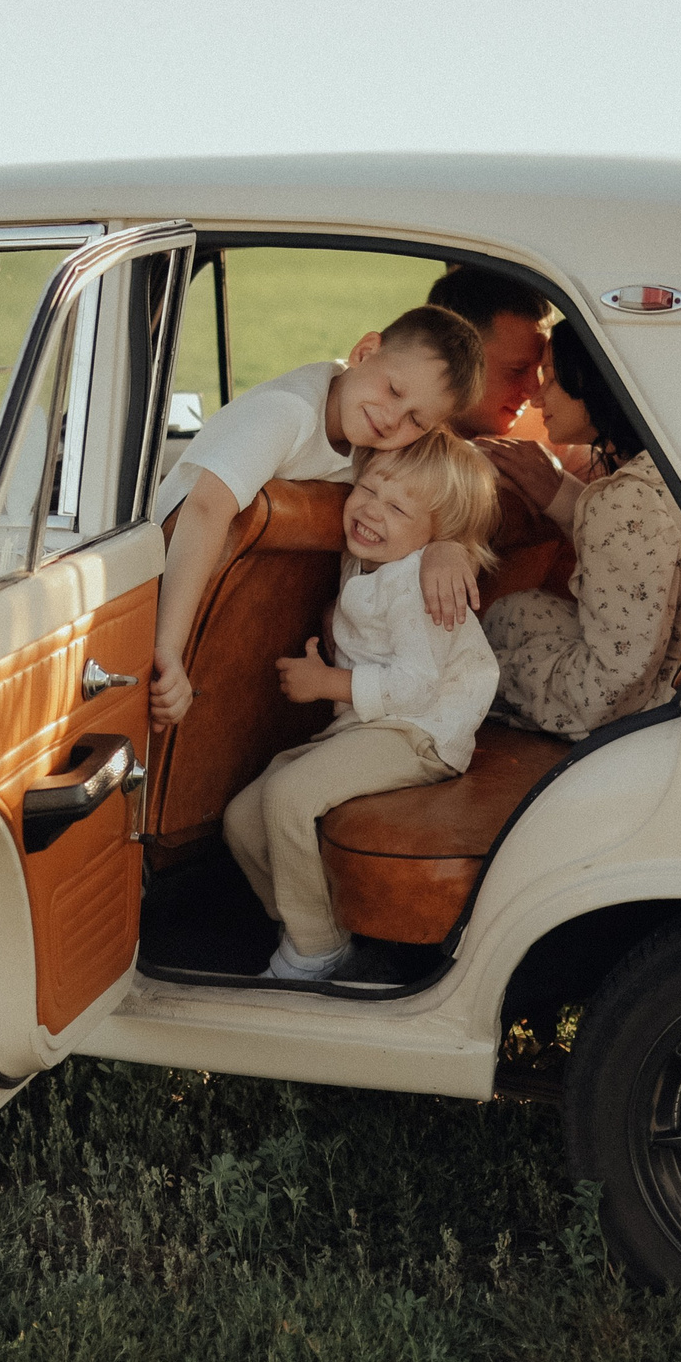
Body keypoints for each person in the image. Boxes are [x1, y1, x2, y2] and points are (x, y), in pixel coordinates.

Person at [222, 431, 501, 981]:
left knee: (288, 795)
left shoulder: (422, 584)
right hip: (371, 726)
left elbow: (417, 686)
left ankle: (314, 950)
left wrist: (327, 682)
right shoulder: (371, 556)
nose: (371, 510)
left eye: (396, 507)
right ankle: (318, 930)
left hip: (421, 733)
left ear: (436, 536)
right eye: (368, 488)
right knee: (241, 818)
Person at [149, 305, 485, 728]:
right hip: (159, 592)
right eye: (394, 391)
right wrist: (168, 648)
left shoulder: (374, 450)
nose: (390, 420)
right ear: (364, 352)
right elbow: (204, 508)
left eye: (416, 421)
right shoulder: (285, 413)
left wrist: (449, 547)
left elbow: (454, 493)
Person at [480, 319, 681, 738]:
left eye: (554, 379)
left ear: (598, 382)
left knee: (501, 629)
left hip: (647, 716)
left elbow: (608, 688)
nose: (537, 397)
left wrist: (482, 673)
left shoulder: (625, 500)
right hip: (669, 684)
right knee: (515, 613)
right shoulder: (669, 468)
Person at [426, 265, 553, 442]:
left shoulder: (551, 431)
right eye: (517, 370)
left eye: (540, 370)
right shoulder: (387, 439)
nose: (534, 392)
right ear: (450, 357)